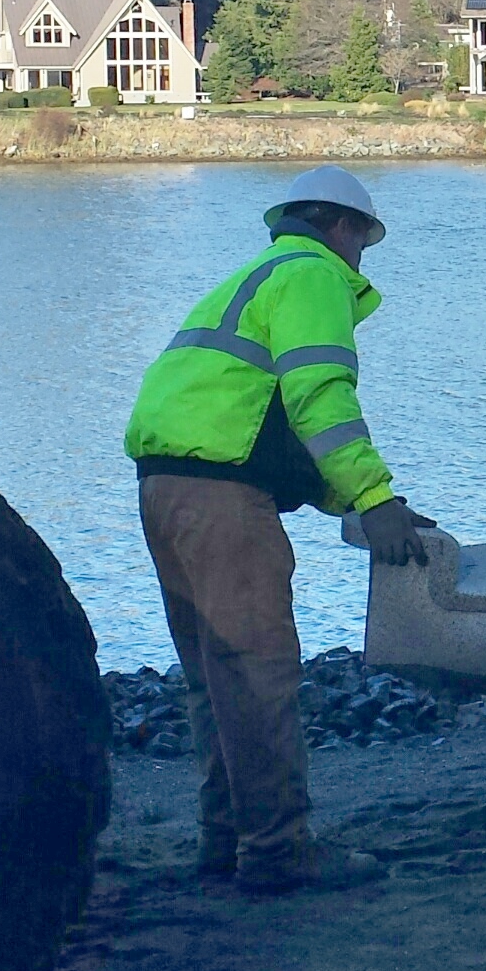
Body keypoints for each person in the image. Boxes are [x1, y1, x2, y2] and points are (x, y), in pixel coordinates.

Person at [126, 166, 433, 894]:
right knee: (258, 677)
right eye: (363, 240)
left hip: (164, 490)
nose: (362, 259)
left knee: (213, 681)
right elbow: (319, 397)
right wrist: (377, 497)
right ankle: (277, 854)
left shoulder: (254, 277)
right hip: (224, 505)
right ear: (342, 227)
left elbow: (268, 428)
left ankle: (225, 839)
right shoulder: (313, 275)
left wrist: (351, 504)